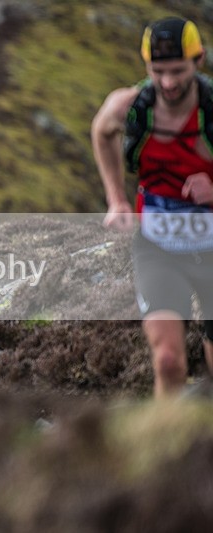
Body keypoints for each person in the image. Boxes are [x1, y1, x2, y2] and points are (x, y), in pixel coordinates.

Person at [92, 16, 213, 397]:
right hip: (158, 249)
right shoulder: (129, 106)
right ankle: (167, 450)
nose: (168, 82)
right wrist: (116, 199)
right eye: (157, 71)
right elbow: (101, 131)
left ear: (199, 61)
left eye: (177, 70)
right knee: (167, 361)